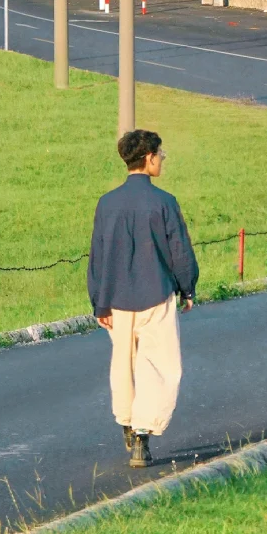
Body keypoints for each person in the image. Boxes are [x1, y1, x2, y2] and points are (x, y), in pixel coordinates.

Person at [87, 128, 199, 468]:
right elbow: (179, 250)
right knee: (161, 367)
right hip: (157, 294)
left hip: (116, 298)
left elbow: (98, 255)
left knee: (123, 364)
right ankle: (142, 436)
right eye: (160, 153)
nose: (162, 158)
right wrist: (187, 287)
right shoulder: (164, 202)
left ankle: (126, 419)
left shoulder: (107, 204)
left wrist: (99, 302)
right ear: (148, 158)